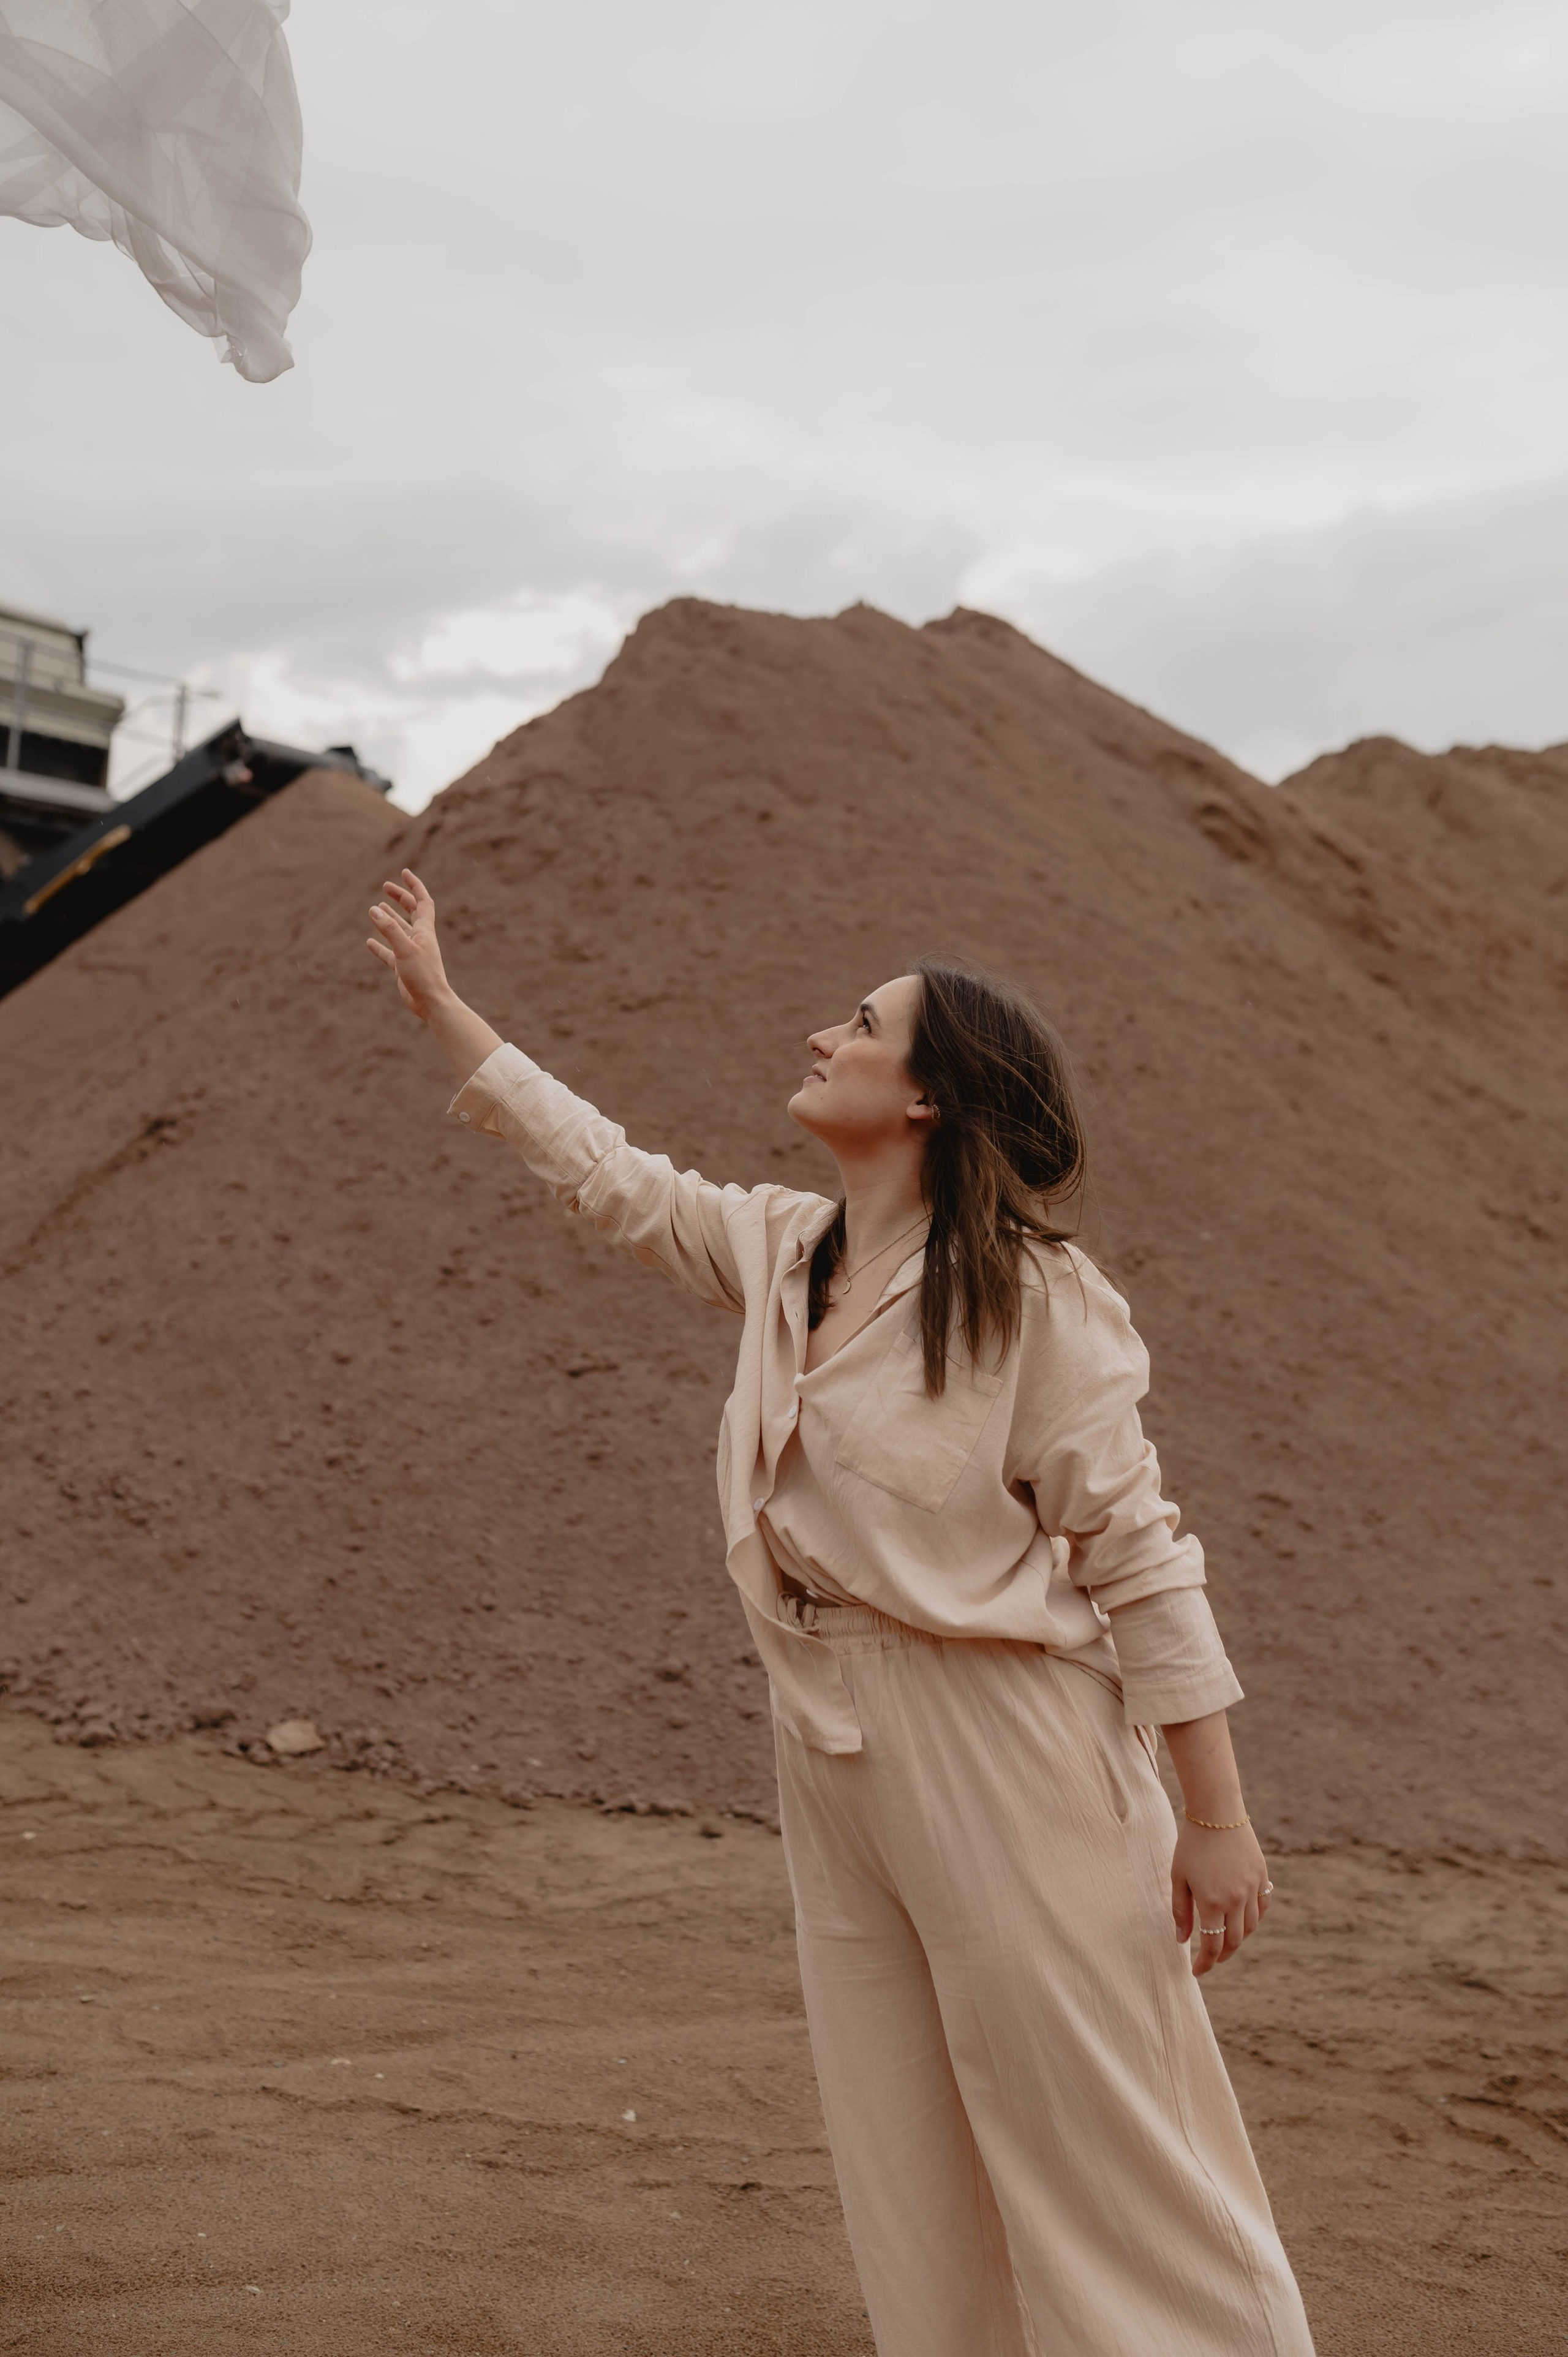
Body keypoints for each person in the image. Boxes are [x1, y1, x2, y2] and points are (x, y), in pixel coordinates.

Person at [366, 869, 1316, 2357]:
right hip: (826, 1739)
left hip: (1006, 1741)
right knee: (905, 2144)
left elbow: (1139, 1553)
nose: (822, 1034)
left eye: (860, 1024)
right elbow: (610, 1177)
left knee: (1105, 2143)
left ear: (931, 1096)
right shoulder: (784, 1250)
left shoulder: (1031, 1297)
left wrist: (1214, 1815)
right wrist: (445, 1011)